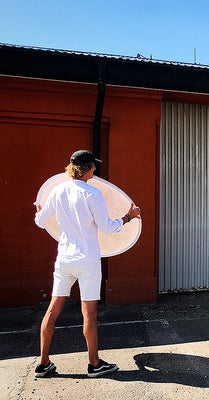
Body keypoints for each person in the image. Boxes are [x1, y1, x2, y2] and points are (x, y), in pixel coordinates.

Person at [34, 150, 141, 378]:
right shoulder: (93, 194)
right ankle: (94, 364)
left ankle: (43, 363)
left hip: (64, 259)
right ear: (87, 168)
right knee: (89, 315)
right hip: (88, 260)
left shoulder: (57, 191)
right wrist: (129, 216)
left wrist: (39, 210)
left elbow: (40, 221)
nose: (95, 169)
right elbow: (108, 227)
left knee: (53, 310)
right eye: (94, 166)